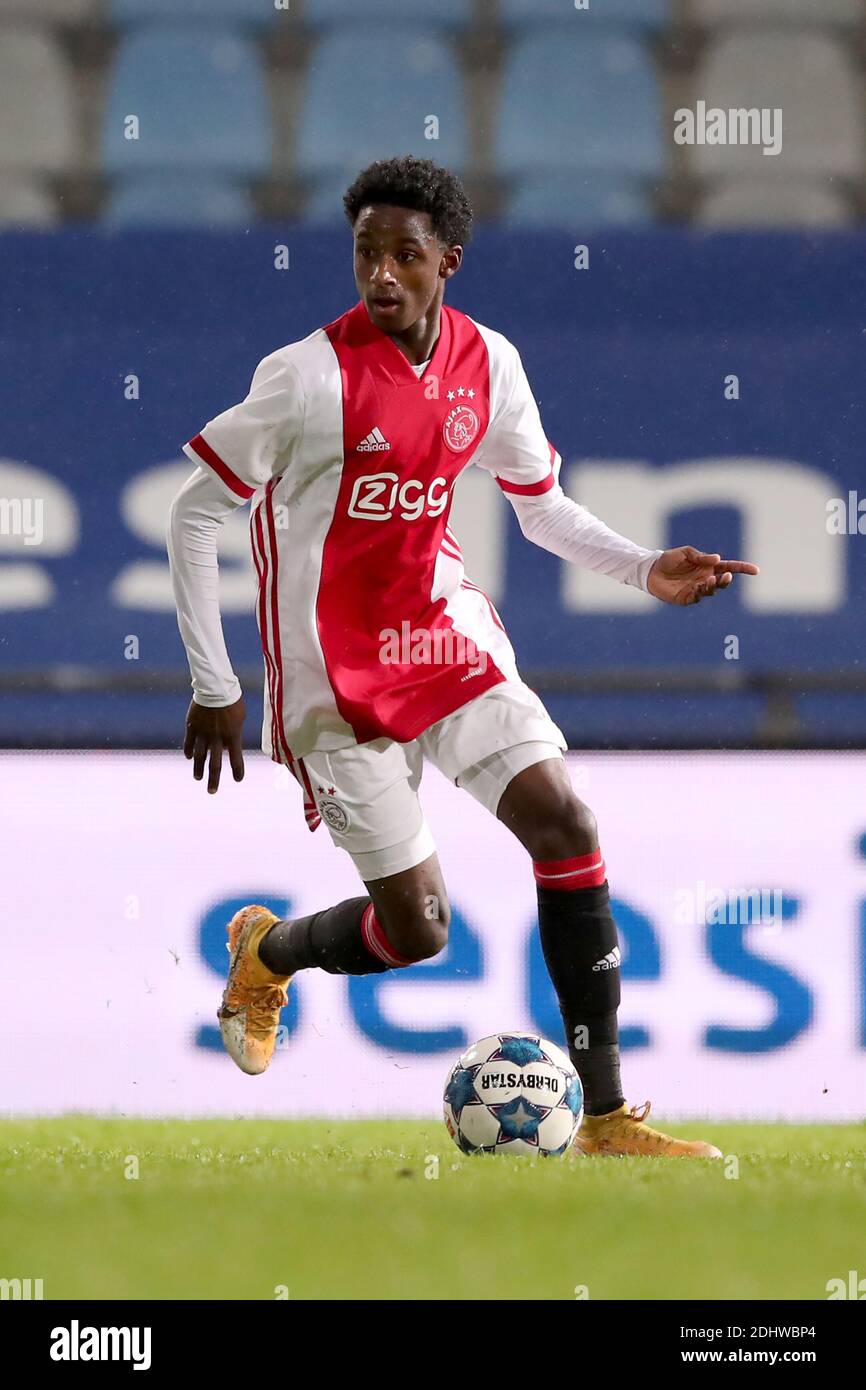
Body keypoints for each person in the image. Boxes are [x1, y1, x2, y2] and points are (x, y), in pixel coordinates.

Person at [167, 156, 758, 1158]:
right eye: (365, 252)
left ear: (449, 260)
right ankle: (263, 951)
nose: (381, 274)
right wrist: (216, 683)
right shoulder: (304, 378)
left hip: (439, 637)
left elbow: (539, 511)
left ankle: (606, 1116)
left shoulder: (490, 363)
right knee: (417, 931)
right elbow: (194, 513)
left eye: (405, 254)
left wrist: (642, 567)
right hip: (331, 675)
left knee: (563, 818)